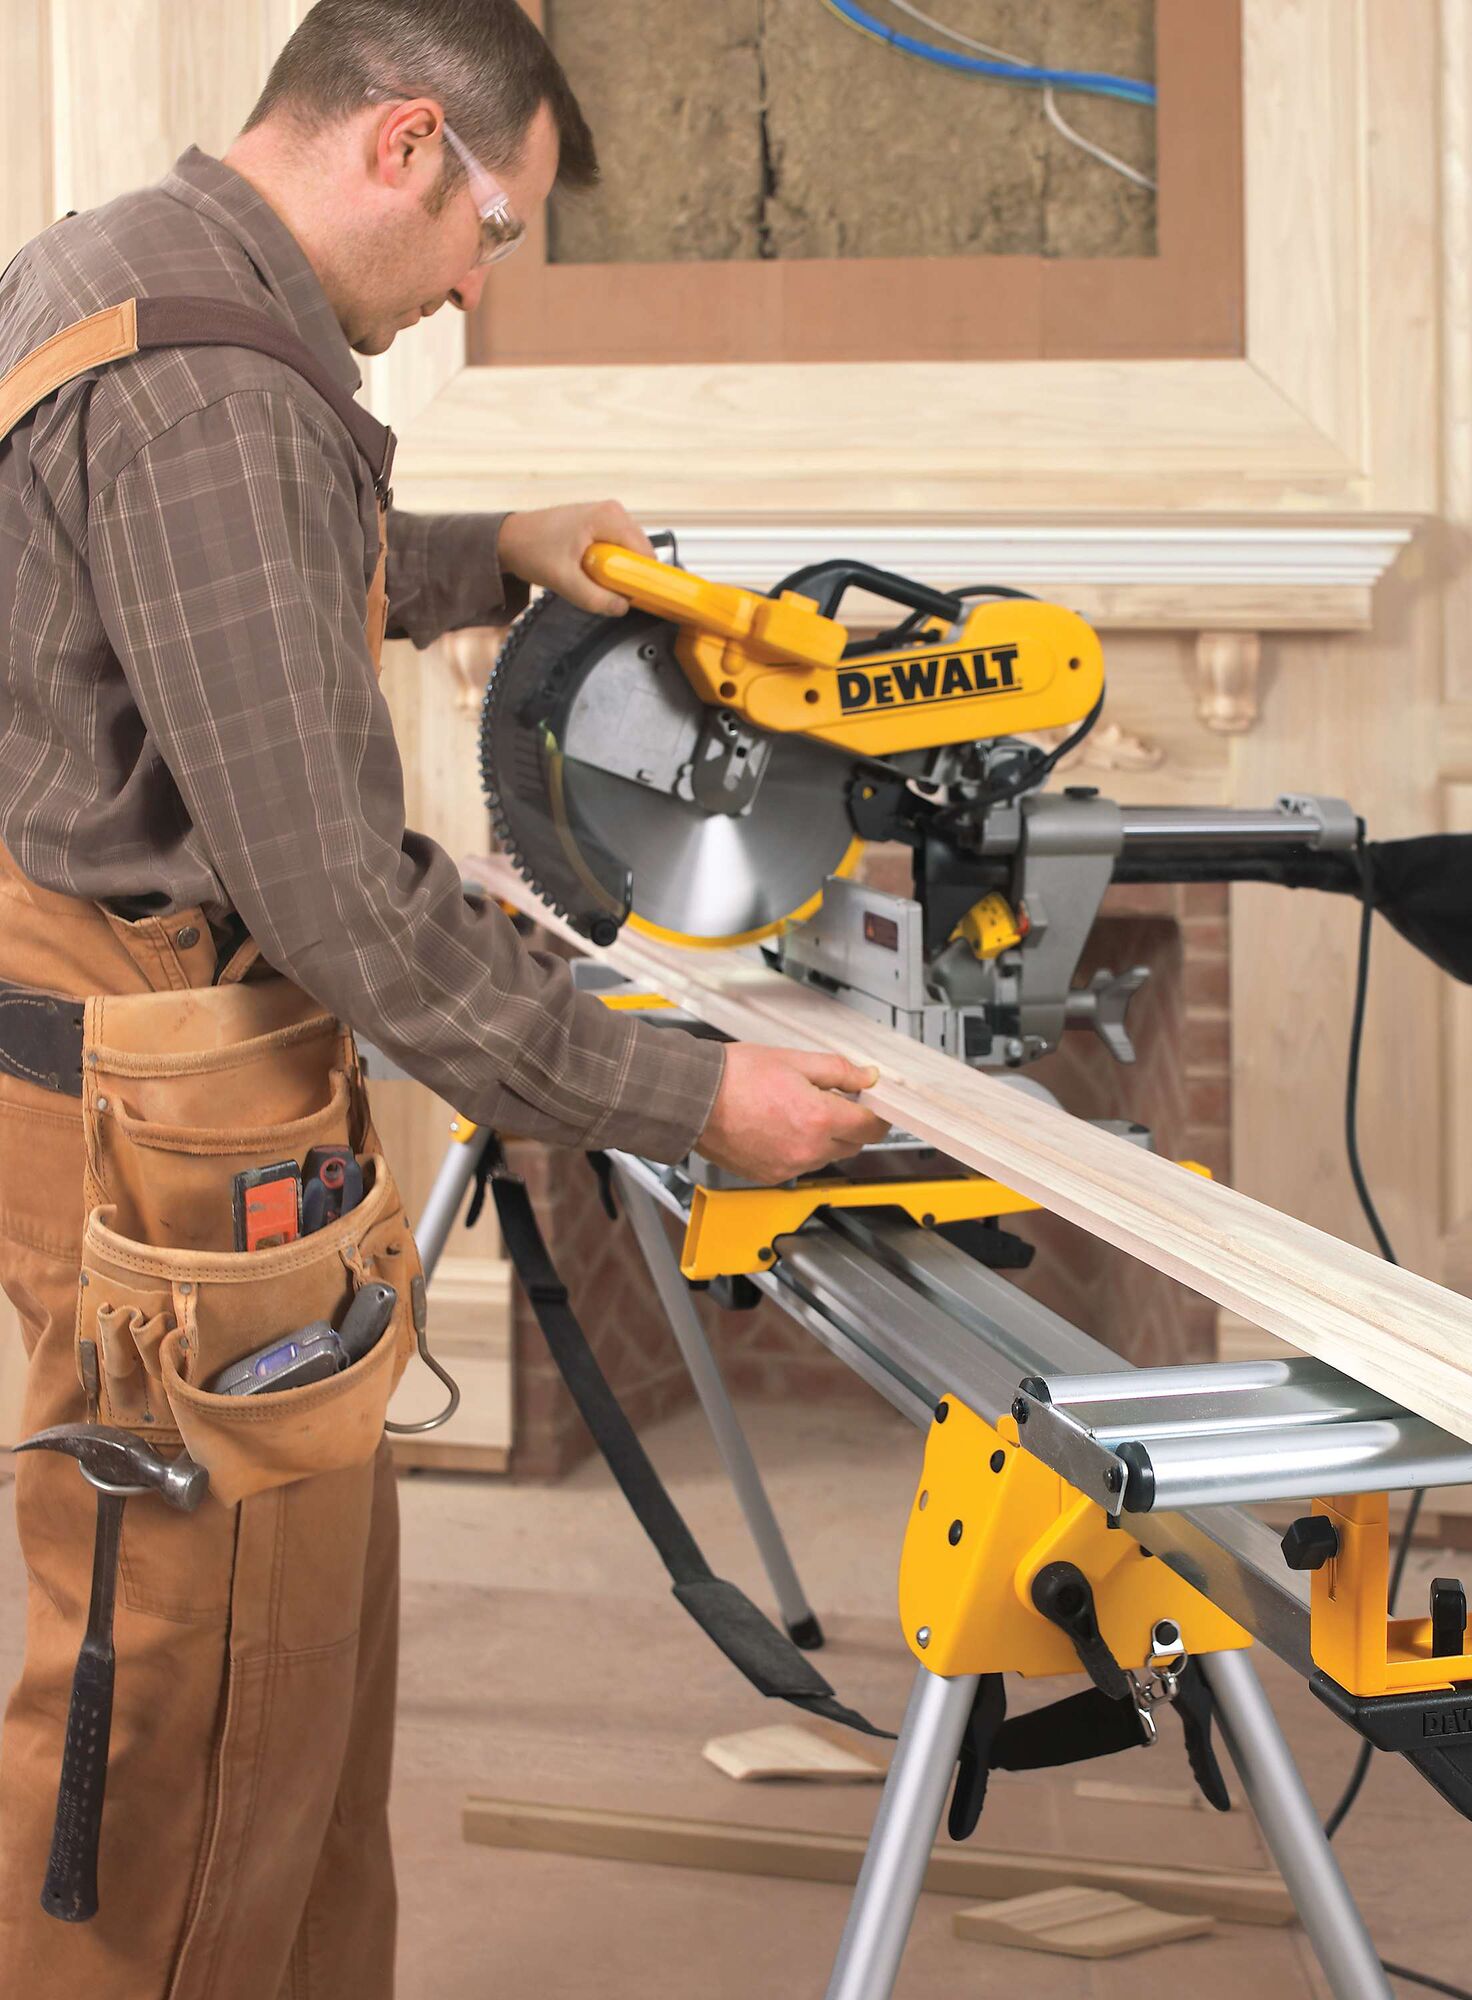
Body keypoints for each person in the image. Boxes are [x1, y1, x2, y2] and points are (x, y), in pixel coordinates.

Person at [0, 2, 886, 1990]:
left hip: (115, 1057)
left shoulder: (118, 269)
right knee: (197, 1697)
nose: (482, 286)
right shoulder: (222, 387)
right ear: (405, 140)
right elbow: (346, 903)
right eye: (495, 225)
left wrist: (492, 553)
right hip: (175, 1089)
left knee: (290, 1658)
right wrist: (691, 1101)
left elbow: (222, 583)